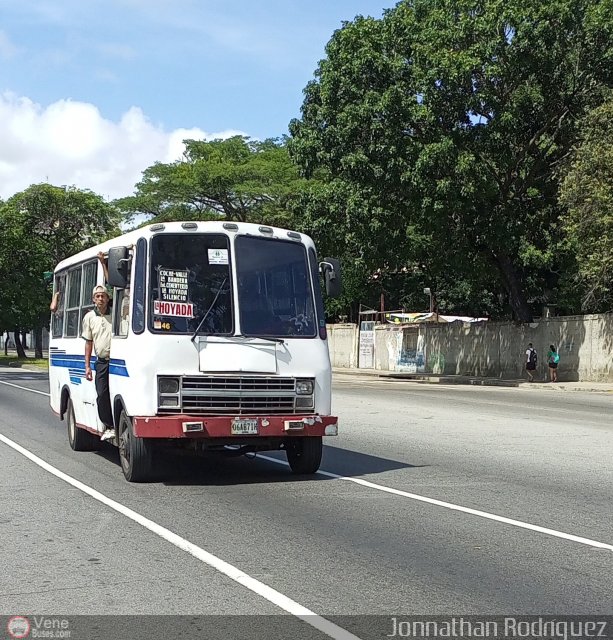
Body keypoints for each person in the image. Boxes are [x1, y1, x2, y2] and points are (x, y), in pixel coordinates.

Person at [82, 285, 114, 441]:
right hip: (101, 362)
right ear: (93, 299)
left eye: (103, 296)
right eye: (98, 296)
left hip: (118, 361)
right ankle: (108, 425)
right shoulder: (89, 317)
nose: (101, 299)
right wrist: (87, 366)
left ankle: (115, 424)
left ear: (108, 298)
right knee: (101, 393)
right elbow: (88, 342)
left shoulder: (116, 313)